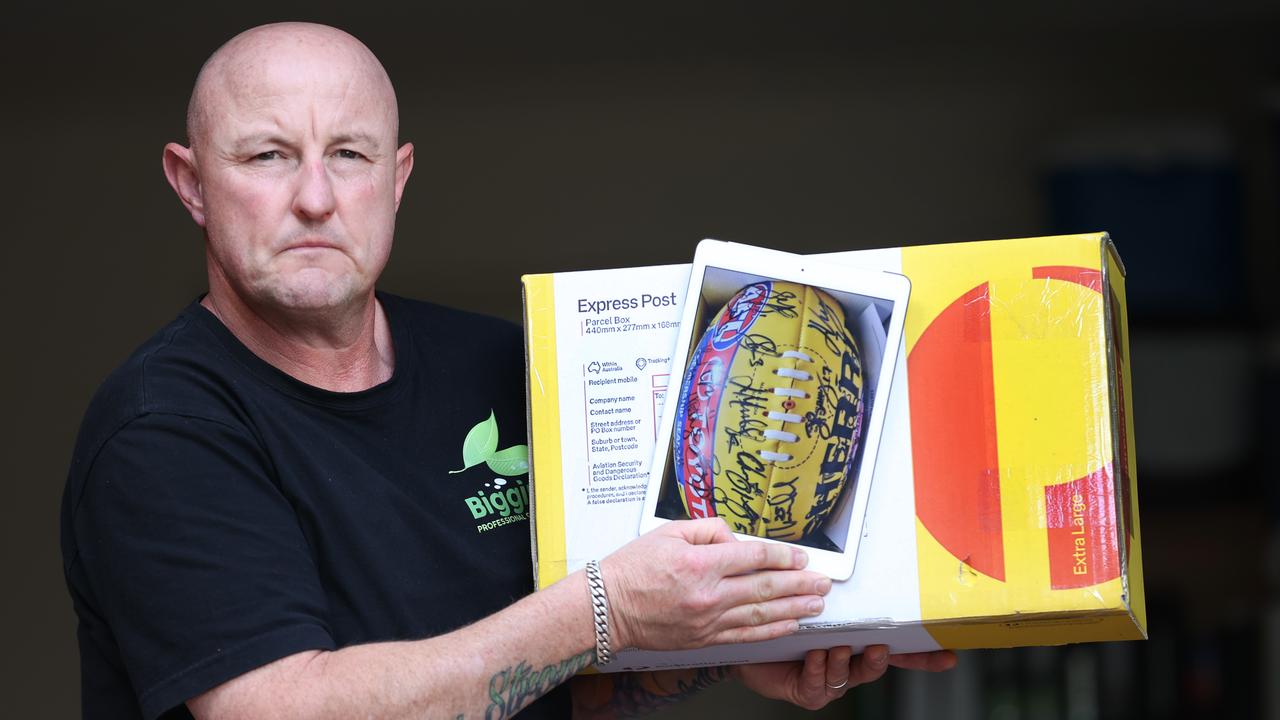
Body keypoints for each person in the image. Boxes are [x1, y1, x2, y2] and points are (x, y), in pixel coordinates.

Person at [60, 22, 955, 720]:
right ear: (190, 183)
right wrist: (604, 610)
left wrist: (724, 643)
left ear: (397, 176)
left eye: (350, 153)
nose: (315, 196)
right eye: (267, 155)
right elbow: (284, 707)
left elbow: (550, 678)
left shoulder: (498, 365)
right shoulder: (165, 427)